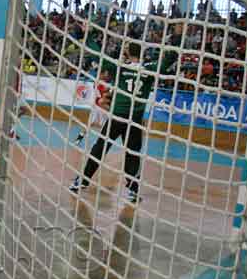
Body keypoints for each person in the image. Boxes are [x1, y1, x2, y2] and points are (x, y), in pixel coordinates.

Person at [69, 43, 176, 203]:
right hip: (135, 119)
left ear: (127, 52)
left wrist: (90, 35)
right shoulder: (149, 68)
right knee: (133, 154)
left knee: (99, 148)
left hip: (117, 117)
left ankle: (82, 181)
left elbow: (99, 57)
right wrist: (176, 44)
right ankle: (132, 190)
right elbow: (168, 61)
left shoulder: (120, 67)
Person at [74, 69, 112, 146]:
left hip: (102, 107)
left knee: (104, 126)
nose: (106, 75)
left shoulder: (106, 83)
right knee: (90, 123)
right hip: (98, 106)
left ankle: (100, 142)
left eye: (107, 74)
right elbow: (105, 93)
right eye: (105, 74)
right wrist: (111, 91)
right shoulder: (99, 83)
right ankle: (79, 138)